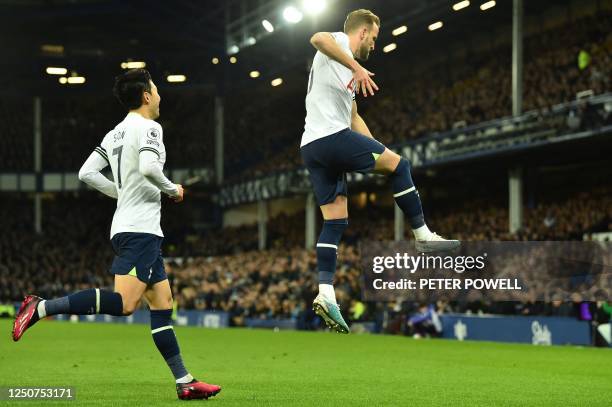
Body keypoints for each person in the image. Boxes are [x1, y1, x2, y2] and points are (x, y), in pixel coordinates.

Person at [12, 69, 221, 401]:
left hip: (132, 226)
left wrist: (120, 193)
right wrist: (172, 189)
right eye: (157, 90)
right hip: (139, 230)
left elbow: (86, 173)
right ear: (147, 96)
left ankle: (185, 381)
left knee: (163, 303)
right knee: (125, 304)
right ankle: (41, 307)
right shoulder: (150, 128)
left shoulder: (114, 134)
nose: (161, 96)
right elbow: (151, 169)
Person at [300, 9, 459, 334]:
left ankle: (326, 293)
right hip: (329, 138)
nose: (374, 44)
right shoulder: (340, 43)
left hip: (313, 147)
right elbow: (316, 38)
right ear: (362, 33)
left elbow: (354, 116)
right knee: (403, 166)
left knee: (336, 221)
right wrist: (357, 66)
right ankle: (423, 237)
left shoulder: (341, 69)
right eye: (374, 37)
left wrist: (378, 154)